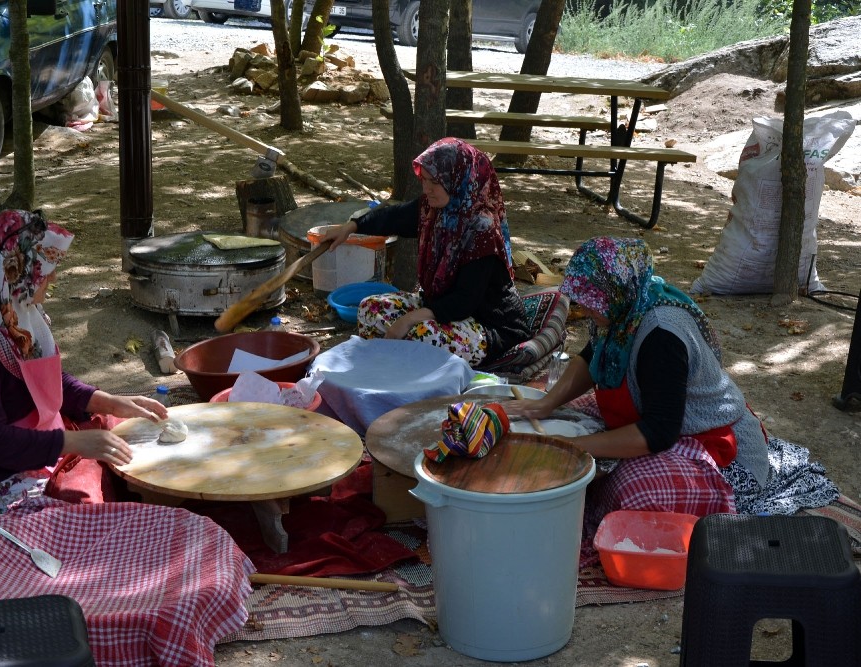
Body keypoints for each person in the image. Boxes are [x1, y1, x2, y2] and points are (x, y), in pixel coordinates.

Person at [505, 236, 838, 540]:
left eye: (591, 301)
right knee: (568, 422)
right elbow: (592, 356)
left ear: (615, 291)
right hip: (664, 425)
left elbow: (659, 431)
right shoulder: (624, 306)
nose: (585, 309)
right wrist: (546, 404)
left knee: (632, 491)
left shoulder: (661, 335)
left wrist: (573, 446)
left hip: (720, 452)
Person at [0, 209, 169, 517]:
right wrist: (74, 442)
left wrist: (107, 402)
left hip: (21, 443)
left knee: (109, 431)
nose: (52, 277)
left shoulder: (10, 311)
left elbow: (41, 379)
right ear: (14, 272)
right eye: (45, 270)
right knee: (81, 506)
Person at [320, 137, 533, 367]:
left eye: (434, 182)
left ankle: (404, 366)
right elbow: (394, 217)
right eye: (424, 180)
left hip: (488, 325)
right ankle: (395, 364)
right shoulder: (433, 209)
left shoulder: (482, 229)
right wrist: (351, 227)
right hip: (440, 309)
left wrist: (408, 320)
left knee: (423, 334)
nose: (426, 188)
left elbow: (464, 301)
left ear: (458, 179)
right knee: (370, 309)